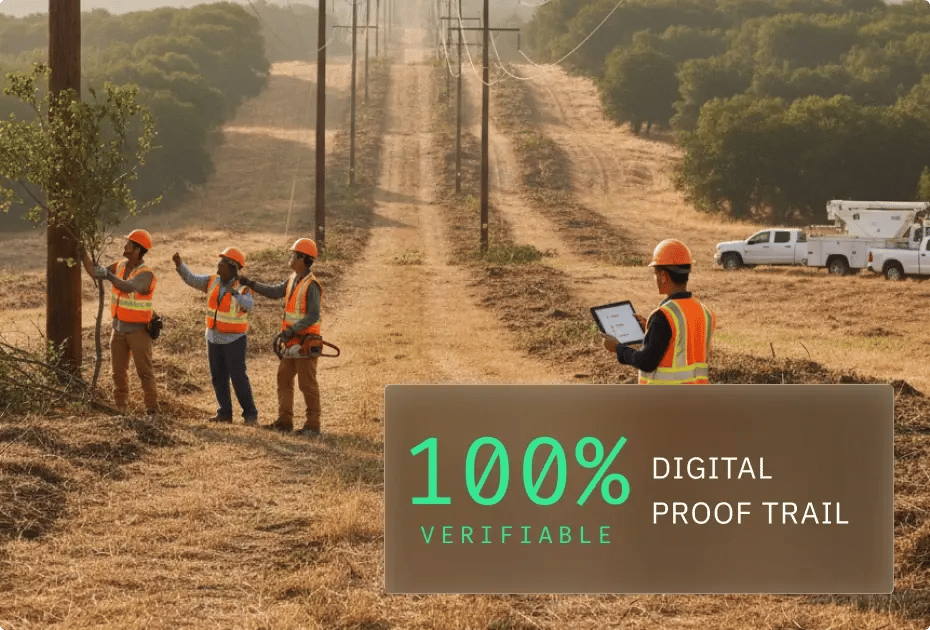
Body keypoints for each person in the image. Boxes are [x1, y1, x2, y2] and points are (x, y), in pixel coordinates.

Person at [238, 238, 323, 437]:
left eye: (294, 255)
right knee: (283, 379)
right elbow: (276, 291)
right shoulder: (293, 279)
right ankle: (284, 421)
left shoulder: (311, 285)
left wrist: (292, 330)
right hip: (291, 342)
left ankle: (313, 425)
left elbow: (314, 315)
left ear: (303, 259)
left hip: (305, 342)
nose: (290, 257)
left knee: (307, 384)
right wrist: (250, 283)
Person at [601, 239, 716, 384]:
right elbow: (681, 346)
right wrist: (650, 330)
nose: (655, 278)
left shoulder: (664, 316)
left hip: (666, 400)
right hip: (696, 400)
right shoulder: (704, 312)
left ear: (663, 276)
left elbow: (647, 362)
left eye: (655, 274)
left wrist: (618, 348)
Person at [173, 247, 259, 425]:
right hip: (213, 338)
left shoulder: (243, 287)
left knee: (238, 378)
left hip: (234, 339)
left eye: (222, 262)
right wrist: (180, 265)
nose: (218, 265)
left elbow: (248, 306)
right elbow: (191, 279)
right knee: (218, 376)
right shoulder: (212, 281)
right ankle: (224, 413)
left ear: (232, 266)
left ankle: (250, 414)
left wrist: (233, 291)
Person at [81, 229, 159, 414]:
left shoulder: (146, 275)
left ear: (138, 250)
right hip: (118, 330)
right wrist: (82, 252)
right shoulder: (120, 266)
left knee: (144, 373)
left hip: (139, 332)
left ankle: (152, 411)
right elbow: (94, 272)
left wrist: (108, 276)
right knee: (118, 373)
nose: (125, 246)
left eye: (129, 244)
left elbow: (127, 287)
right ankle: (121, 408)